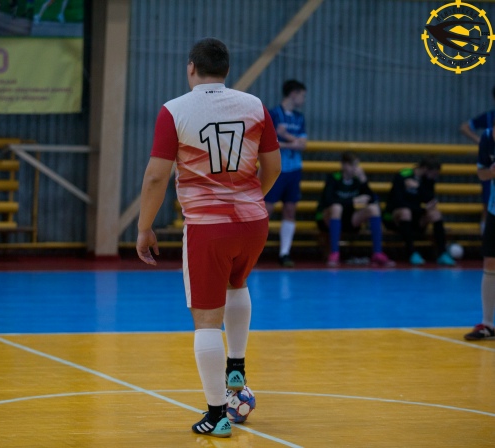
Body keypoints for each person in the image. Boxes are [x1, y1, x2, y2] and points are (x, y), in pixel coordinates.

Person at [136, 38, 281, 438]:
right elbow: (273, 167)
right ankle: (237, 368)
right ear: (227, 69)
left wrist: (144, 227)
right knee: (238, 283)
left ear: (191, 67)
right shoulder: (255, 106)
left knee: (205, 320)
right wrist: (251, 200)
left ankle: (217, 415)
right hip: (254, 222)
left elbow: (156, 177)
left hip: (208, 227)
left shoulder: (175, 110)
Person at [316, 151, 394, 267]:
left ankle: (377, 253)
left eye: (356, 165)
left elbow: (372, 199)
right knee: (337, 207)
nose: (355, 168)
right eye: (352, 165)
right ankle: (334, 253)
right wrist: (353, 201)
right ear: (344, 165)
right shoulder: (333, 178)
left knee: (374, 208)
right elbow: (329, 200)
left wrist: (364, 181)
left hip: (349, 219)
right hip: (328, 218)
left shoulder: (357, 180)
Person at [264, 79, 307, 268]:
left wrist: (285, 136)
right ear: (293, 94)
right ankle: (255, 251)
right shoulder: (273, 114)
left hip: (294, 170)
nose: (303, 100)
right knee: (266, 210)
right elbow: (269, 142)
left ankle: (284, 253)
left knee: (290, 210)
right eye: (302, 95)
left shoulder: (299, 117)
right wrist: (293, 143)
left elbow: (303, 145)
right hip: (276, 169)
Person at [383, 157, 455, 266]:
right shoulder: (403, 175)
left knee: (435, 214)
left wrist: (419, 187)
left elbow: (430, 199)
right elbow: (397, 201)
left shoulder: (428, 180)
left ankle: (442, 253)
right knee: (406, 212)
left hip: (417, 216)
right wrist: (421, 209)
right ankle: (411, 252)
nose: (435, 176)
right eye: (434, 173)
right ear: (425, 169)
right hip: (396, 218)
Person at [464, 126, 495, 340]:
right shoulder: (487, 137)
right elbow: (481, 173)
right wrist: (491, 172)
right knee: (490, 262)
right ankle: (488, 324)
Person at [459, 86, 495, 234]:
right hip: (491, 168)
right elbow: (464, 127)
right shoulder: (489, 117)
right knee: (488, 204)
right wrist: (480, 141)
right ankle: (486, 236)